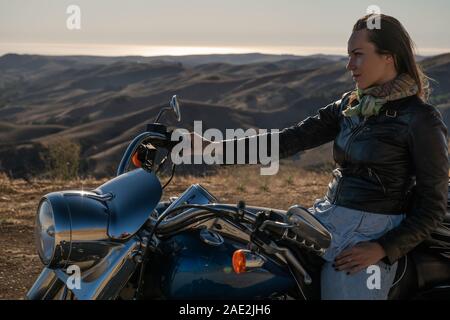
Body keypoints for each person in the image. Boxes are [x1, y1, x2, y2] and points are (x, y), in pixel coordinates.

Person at [185, 14, 448, 299]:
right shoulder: (349, 106)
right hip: (326, 219)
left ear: (389, 57)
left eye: (358, 55)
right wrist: (213, 147)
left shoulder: (421, 120)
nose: (350, 65)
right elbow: (288, 140)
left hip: (369, 237)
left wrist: (384, 248)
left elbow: (432, 205)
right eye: (349, 56)